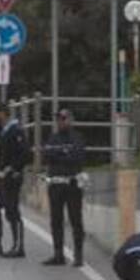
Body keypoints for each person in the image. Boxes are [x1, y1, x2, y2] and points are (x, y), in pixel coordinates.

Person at [0, 106, 31, 258]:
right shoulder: (4, 131)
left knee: (12, 211)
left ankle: (18, 246)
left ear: (3, 114)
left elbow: (25, 154)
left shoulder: (16, 130)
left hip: (12, 177)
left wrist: (12, 168)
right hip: (2, 178)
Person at [40, 109, 87, 267]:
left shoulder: (77, 137)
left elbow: (77, 157)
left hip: (72, 183)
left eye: (64, 118)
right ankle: (58, 254)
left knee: (75, 220)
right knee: (56, 220)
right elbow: (46, 156)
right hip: (55, 183)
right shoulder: (53, 137)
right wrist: (64, 152)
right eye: (59, 119)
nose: (61, 121)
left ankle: (78, 255)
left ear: (71, 119)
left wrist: (58, 153)